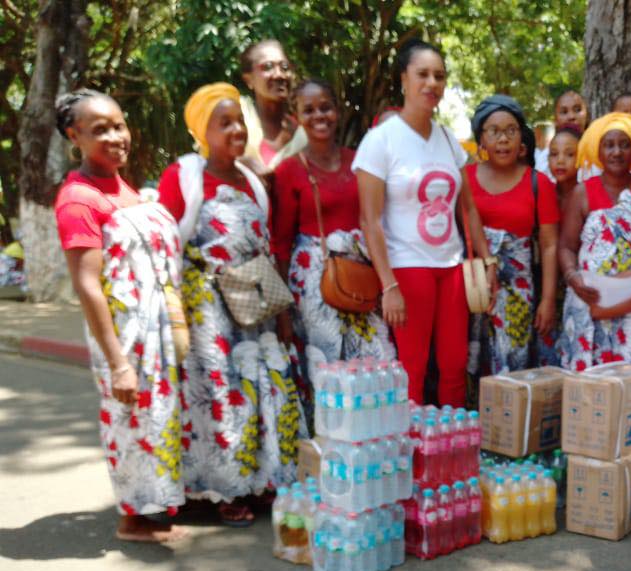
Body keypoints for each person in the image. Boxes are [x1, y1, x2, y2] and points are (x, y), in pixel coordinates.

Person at [158, 83, 304, 526]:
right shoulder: (184, 176)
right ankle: (223, 490)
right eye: (224, 123)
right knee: (220, 397)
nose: (236, 130)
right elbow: (167, 246)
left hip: (255, 307)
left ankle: (259, 480)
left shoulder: (254, 181)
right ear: (203, 130)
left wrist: (281, 316)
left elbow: (266, 245)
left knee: (262, 391)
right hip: (209, 314)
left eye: (240, 120)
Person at [54, 90, 188, 543]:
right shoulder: (78, 199)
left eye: (119, 125)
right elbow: (88, 284)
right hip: (124, 334)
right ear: (75, 137)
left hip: (155, 328)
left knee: (156, 418)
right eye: (99, 130)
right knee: (128, 419)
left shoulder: (124, 188)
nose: (115, 137)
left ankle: (155, 507)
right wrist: (118, 364)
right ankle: (133, 516)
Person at [354, 40, 491, 406]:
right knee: (411, 369)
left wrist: (488, 261)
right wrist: (389, 286)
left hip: (451, 268)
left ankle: (451, 452)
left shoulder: (448, 139)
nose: (432, 83)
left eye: (440, 76)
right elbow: (369, 221)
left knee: (453, 365)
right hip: (407, 267)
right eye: (423, 74)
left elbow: (470, 209)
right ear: (403, 79)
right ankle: (410, 456)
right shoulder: (380, 141)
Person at [272, 78, 394, 419]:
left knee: (378, 358)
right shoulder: (290, 170)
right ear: (296, 117)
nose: (318, 115)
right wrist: (283, 312)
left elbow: (377, 220)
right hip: (314, 288)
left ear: (337, 112)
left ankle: (373, 433)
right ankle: (331, 443)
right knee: (327, 366)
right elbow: (281, 244)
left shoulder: (360, 162)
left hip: (363, 280)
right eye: (308, 110)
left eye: (325, 107)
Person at [557, 112, 631, 370]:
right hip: (589, 300)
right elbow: (566, 247)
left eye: (624, 144)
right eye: (609, 145)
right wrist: (574, 278)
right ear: (599, 150)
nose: (617, 152)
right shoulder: (582, 192)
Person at [465, 95, 560, 373]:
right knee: (468, 362)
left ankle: (510, 417)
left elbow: (550, 245)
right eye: (494, 131)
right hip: (472, 286)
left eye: (511, 131)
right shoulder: (464, 179)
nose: (503, 139)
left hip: (519, 292)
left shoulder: (537, 182)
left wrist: (548, 300)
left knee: (513, 362)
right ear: (481, 140)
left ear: (522, 139)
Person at [239, 39, 307, 172]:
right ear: (249, 79)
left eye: (285, 67)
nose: (279, 74)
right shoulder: (238, 122)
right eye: (268, 66)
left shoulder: (304, 132)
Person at [536, 89, 589, 179]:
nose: (571, 117)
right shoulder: (544, 160)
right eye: (564, 112)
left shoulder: (597, 157)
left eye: (577, 110)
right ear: (555, 119)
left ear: (587, 116)